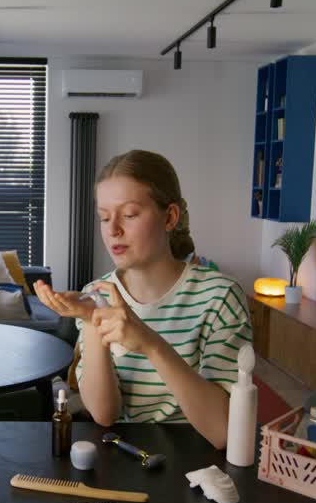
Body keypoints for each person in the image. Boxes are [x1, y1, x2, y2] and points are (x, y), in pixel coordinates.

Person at [35, 149, 251, 449]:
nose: (113, 231)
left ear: (170, 217)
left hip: (198, 465)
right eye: (104, 217)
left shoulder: (219, 296)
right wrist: (91, 321)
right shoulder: (97, 293)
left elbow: (224, 432)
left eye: (129, 215)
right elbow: (103, 415)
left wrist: (149, 343)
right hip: (124, 456)